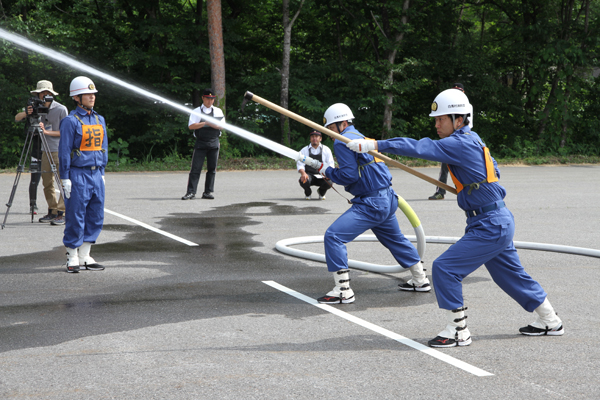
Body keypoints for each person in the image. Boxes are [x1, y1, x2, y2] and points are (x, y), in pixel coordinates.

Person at [346, 89, 563, 347]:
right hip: (494, 219)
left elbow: (418, 146)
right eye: (436, 119)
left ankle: (458, 330)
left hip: (489, 224)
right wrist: (470, 185)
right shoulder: (473, 139)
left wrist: (375, 145)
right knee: (511, 275)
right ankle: (550, 320)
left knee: (445, 268)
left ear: (459, 120)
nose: (437, 124)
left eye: (442, 119)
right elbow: (496, 170)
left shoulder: (458, 143)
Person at [296, 103, 430, 304]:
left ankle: (343, 290)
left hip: (371, 203)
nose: (331, 134)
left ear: (342, 123)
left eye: (331, 128)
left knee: (333, 236)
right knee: (395, 239)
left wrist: (327, 171)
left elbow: (348, 176)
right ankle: (420, 279)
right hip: (388, 198)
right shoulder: (361, 137)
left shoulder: (343, 142)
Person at [58, 76, 107, 273]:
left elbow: (103, 147)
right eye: (87, 94)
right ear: (77, 97)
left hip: (96, 175)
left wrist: (102, 171)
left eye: (93, 94)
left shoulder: (99, 119)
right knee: (76, 215)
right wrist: (65, 177)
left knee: (96, 215)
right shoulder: (70, 121)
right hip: (78, 174)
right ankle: (72, 256)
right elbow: (64, 151)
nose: (92, 97)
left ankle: (86, 255)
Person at [16, 80, 68, 223]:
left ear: (51, 95)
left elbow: (66, 132)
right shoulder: (35, 107)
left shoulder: (61, 109)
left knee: (62, 182)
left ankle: (62, 212)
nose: (44, 97)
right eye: (41, 94)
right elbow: (17, 118)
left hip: (58, 149)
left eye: (47, 94)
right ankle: (52, 210)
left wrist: (46, 132)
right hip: (44, 150)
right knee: (47, 182)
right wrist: (28, 112)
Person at [182, 88, 225, 200]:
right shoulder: (196, 111)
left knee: (212, 169)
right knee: (195, 169)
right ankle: (191, 192)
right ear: (203, 98)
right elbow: (191, 126)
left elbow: (222, 126)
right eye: (207, 99)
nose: (209, 101)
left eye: (212, 99)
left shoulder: (218, 111)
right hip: (200, 143)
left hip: (214, 142)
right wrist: (205, 123)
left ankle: (208, 192)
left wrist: (208, 123)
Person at [428, 84, 467, 200]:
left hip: (461, 144)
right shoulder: (449, 104)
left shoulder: (464, 107)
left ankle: (461, 190)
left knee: (460, 170)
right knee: (444, 169)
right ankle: (440, 192)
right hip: (449, 142)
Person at [296, 130, 335, 200]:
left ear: (320, 138)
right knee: (303, 180)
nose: (314, 138)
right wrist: (303, 173)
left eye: (316, 136)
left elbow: (331, 164)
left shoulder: (326, 150)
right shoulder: (304, 150)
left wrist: (328, 175)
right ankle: (308, 193)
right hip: (309, 175)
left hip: (322, 175)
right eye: (312, 136)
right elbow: (300, 164)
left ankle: (321, 192)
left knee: (330, 182)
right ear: (310, 138)